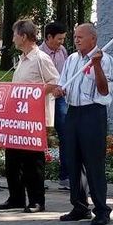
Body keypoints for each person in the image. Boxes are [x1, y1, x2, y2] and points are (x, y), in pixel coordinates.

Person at [56, 23, 113, 225]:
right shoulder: (71, 60)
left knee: (93, 162)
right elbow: (63, 84)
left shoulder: (105, 60)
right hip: (73, 112)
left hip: (93, 112)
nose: (76, 40)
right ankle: (79, 206)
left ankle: (101, 209)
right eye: (75, 37)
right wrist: (60, 91)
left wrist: (96, 64)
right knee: (73, 161)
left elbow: (104, 90)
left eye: (81, 36)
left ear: (93, 39)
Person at [0, 19, 59, 214]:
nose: (13, 38)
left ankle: (37, 200)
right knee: (13, 160)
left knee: (33, 162)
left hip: (33, 120)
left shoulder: (40, 59)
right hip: (17, 119)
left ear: (23, 36)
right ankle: (16, 197)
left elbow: (56, 81)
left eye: (15, 34)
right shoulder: (22, 59)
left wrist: (36, 93)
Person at [40, 22, 70, 191]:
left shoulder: (63, 51)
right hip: (43, 98)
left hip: (59, 98)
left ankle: (65, 177)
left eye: (63, 39)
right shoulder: (39, 54)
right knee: (40, 137)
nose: (61, 42)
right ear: (49, 37)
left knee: (65, 134)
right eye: (59, 39)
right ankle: (39, 178)